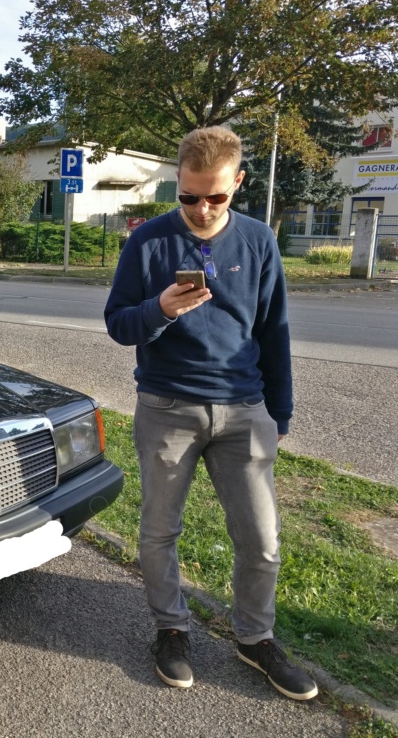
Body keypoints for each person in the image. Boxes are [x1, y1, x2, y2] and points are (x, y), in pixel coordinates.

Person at [104, 125, 318, 701]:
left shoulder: (257, 241)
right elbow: (119, 324)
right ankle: (171, 630)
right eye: (189, 196)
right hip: (167, 406)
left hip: (244, 409)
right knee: (159, 530)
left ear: (238, 183)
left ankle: (256, 638)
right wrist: (160, 309)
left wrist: (282, 412)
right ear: (176, 183)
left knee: (262, 537)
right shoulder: (146, 242)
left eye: (216, 197)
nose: (201, 209)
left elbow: (274, 331)